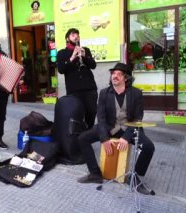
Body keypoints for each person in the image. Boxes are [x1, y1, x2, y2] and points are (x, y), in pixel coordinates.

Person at [76, 63, 155, 195]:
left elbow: (137, 118)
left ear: (126, 78)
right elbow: (100, 118)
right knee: (82, 138)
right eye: (113, 73)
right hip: (109, 127)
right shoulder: (104, 93)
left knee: (148, 147)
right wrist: (104, 138)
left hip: (129, 128)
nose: (115, 76)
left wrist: (126, 137)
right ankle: (95, 174)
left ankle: (134, 178)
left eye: (119, 74)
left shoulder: (136, 93)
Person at [57, 28, 97, 129]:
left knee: (91, 112)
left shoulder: (85, 50)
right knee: (76, 114)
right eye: (73, 35)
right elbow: (61, 70)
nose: (76, 36)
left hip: (89, 88)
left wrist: (84, 56)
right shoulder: (62, 53)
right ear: (67, 38)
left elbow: (93, 65)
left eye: (77, 35)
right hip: (74, 90)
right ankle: (79, 137)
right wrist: (72, 57)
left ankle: (87, 133)